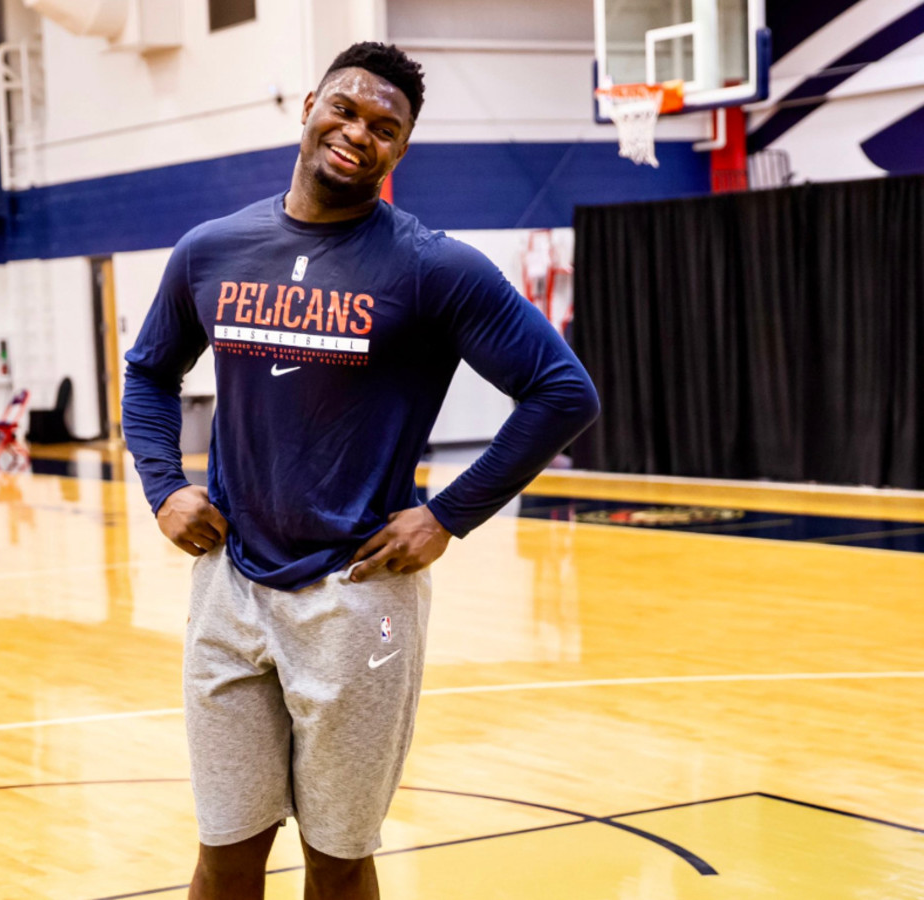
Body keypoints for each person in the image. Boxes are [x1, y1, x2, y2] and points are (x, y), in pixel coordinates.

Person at [121, 42, 599, 900]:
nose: (358, 133)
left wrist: (448, 514)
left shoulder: (432, 267)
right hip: (229, 588)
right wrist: (164, 486)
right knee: (225, 850)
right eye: (345, 109)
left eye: (386, 127)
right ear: (308, 105)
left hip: (361, 593)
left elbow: (562, 392)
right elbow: (151, 370)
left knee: (339, 863)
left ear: (401, 151)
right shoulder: (212, 249)